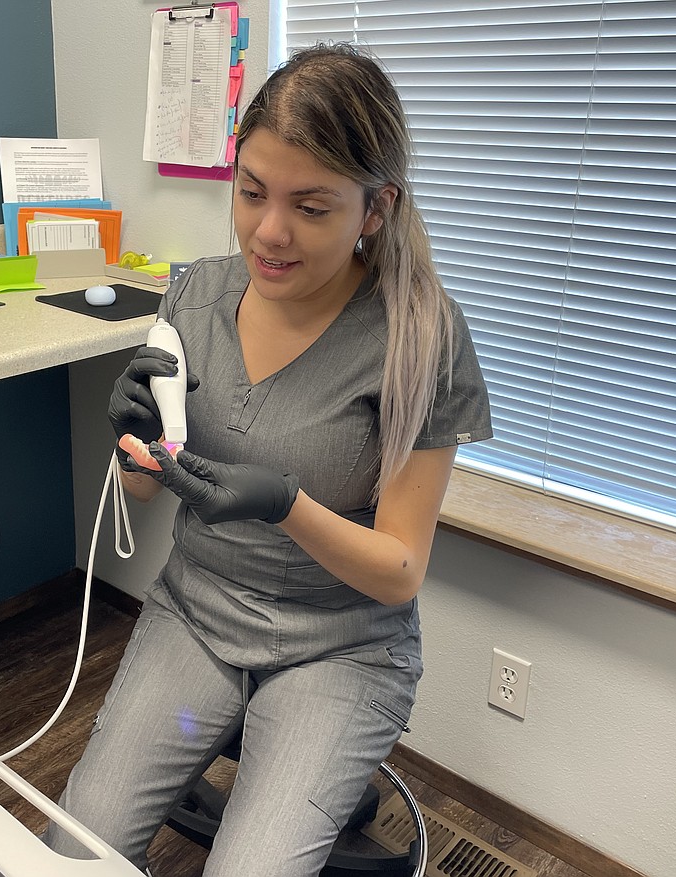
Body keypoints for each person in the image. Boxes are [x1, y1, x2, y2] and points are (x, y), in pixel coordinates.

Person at [44, 43, 492, 876]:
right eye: (251, 193)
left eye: (311, 207)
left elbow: (398, 570)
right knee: (73, 847)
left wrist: (286, 502)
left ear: (373, 209)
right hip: (197, 612)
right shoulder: (194, 296)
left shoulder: (422, 337)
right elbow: (146, 490)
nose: (268, 231)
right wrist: (132, 439)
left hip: (343, 643)